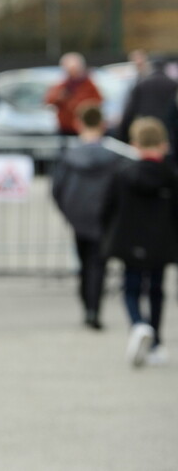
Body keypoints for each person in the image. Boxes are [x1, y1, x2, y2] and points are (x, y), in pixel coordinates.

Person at [102, 116, 178, 367]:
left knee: (132, 288)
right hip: (162, 242)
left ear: (135, 144)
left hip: (130, 240)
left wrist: (107, 234)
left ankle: (138, 324)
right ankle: (155, 342)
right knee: (156, 290)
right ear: (163, 144)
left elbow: (107, 207)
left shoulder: (123, 173)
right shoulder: (170, 176)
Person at [51, 105, 130, 330]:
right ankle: (93, 308)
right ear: (102, 125)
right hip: (104, 217)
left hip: (79, 216)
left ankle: (88, 305)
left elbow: (58, 188)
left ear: (78, 124)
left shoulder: (70, 156)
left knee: (84, 262)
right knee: (97, 263)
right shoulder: (114, 158)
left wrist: (69, 212)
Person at [116, 56, 178, 149]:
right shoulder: (173, 84)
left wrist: (121, 137)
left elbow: (129, 112)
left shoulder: (142, 84)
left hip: (145, 131)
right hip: (167, 134)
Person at [45, 52, 103, 136]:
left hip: (83, 128)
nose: (73, 73)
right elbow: (50, 100)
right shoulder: (62, 85)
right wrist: (61, 98)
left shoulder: (88, 85)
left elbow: (98, 102)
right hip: (65, 128)